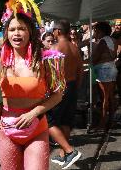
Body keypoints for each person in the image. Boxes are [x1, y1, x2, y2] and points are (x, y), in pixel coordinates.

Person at [0, 0, 65, 170]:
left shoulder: (47, 60)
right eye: (12, 29)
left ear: (30, 32)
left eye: (22, 29)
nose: (16, 33)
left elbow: (58, 94)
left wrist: (33, 113)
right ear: (6, 33)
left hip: (36, 130)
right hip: (7, 131)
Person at [47, 20, 83, 169]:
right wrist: (75, 88)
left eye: (54, 30)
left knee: (48, 121)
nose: (53, 33)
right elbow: (80, 72)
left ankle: (70, 151)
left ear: (58, 31)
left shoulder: (55, 48)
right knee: (66, 121)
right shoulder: (75, 48)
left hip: (59, 88)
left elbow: (49, 74)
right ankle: (63, 155)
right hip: (73, 86)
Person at [93, 22, 118, 129]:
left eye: (96, 31)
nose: (95, 33)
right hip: (112, 68)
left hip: (104, 70)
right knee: (109, 97)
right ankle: (111, 120)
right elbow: (114, 56)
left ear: (101, 31)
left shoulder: (103, 42)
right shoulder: (113, 40)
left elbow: (94, 58)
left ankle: (103, 122)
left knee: (105, 98)